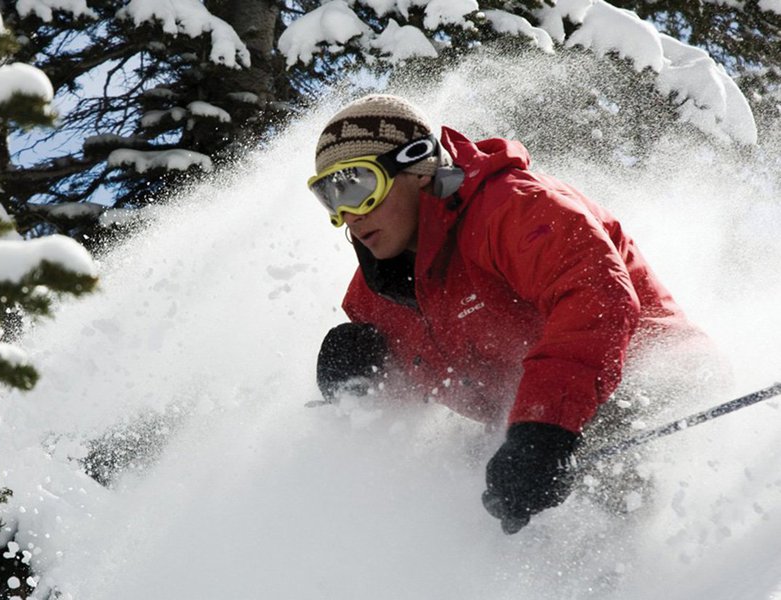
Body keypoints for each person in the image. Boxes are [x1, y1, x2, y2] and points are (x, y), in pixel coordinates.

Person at [307, 94, 725, 534]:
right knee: (460, 482)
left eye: (357, 186)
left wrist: (542, 429)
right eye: (329, 196)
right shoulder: (377, 293)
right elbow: (401, 411)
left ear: (417, 165)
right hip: (539, 416)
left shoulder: (513, 208)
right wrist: (355, 390)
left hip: (651, 385)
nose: (348, 213)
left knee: (580, 477)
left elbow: (596, 300)